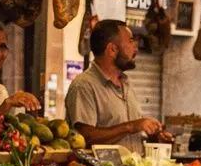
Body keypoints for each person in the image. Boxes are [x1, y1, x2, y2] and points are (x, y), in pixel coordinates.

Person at [65, 19, 163, 155]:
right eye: (130, 41)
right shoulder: (84, 86)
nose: (136, 49)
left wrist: (154, 136)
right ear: (112, 49)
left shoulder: (127, 84)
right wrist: (132, 126)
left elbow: (129, 134)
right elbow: (85, 138)